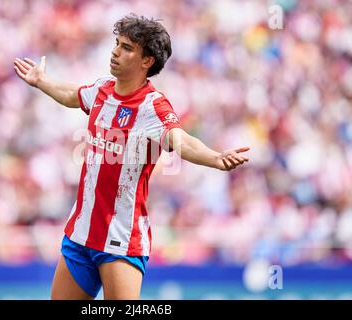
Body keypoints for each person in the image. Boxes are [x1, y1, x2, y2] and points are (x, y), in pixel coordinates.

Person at [14, 14, 250, 300]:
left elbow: (181, 139)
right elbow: (72, 95)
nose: (115, 51)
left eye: (126, 48)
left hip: (121, 242)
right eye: (117, 44)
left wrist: (215, 158)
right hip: (79, 234)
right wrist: (41, 81)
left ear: (146, 61)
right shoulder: (102, 90)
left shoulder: (153, 107)